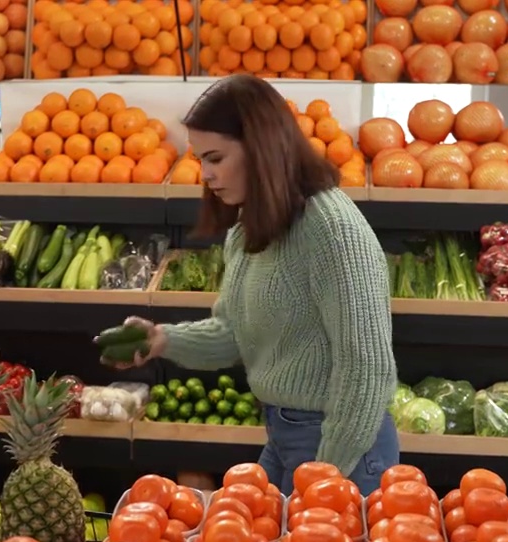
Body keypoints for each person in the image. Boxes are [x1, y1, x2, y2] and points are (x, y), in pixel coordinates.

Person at [107, 75, 399, 495]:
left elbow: (366, 366)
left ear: (261, 148)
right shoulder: (251, 227)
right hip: (284, 435)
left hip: (344, 445)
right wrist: (161, 341)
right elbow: (234, 332)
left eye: (215, 158)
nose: (205, 173)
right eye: (200, 159)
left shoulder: (332, 229)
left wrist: (327, 474)